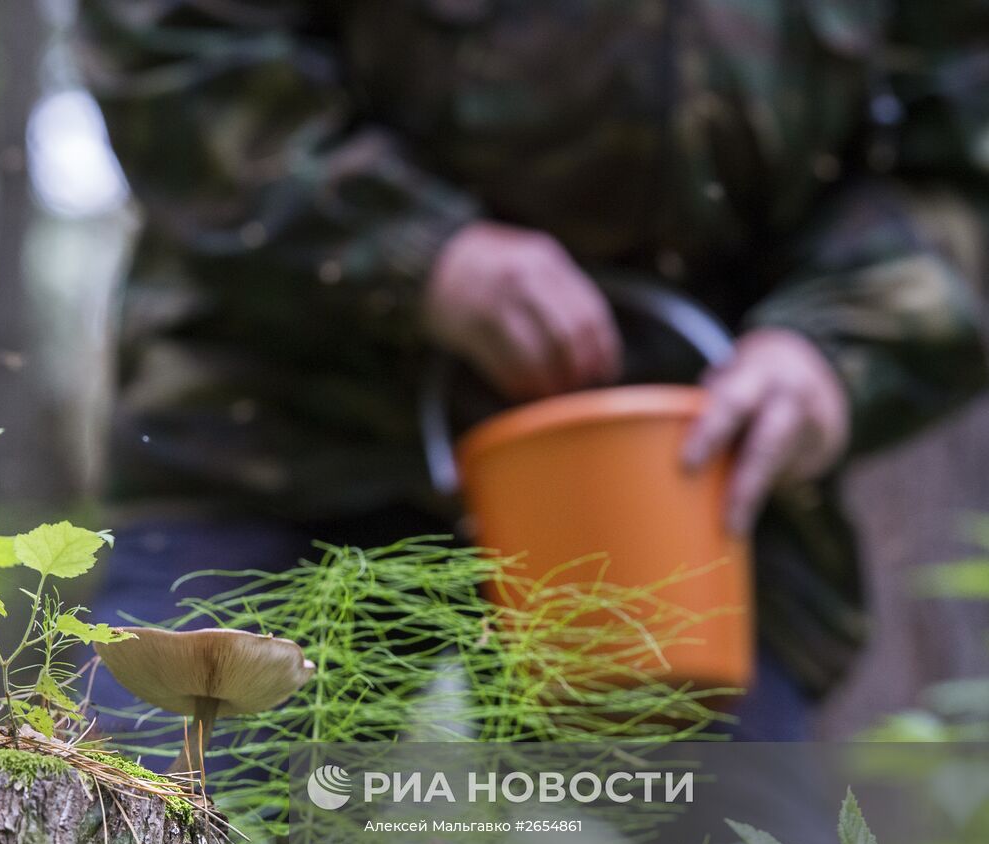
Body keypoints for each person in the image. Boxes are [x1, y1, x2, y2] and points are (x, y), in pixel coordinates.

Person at [75, 1, 989, 746]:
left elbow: (958, 178)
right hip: (280, 432)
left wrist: (836, 347)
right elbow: (172, 38)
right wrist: (418, 247)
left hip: (677, 493)